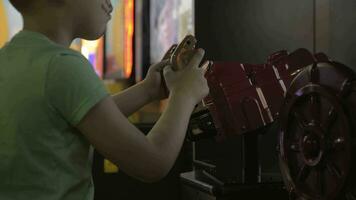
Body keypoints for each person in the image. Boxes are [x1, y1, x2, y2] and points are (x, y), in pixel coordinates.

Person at [0, 0, 209, 199]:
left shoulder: (11, 60)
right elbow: (152, 162)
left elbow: (81, 116)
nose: (111, 3)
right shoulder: (62, 67)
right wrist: (184, 94)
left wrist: (147, 91)